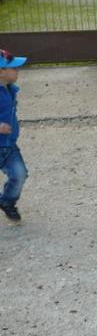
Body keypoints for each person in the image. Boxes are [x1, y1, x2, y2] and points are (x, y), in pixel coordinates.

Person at [0, 49, 29, 222]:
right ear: (1, 72)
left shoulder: (10, 89)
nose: (17, 71)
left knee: (20, 174)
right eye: (14, 68)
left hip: (8, 145)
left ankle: (7, 202)